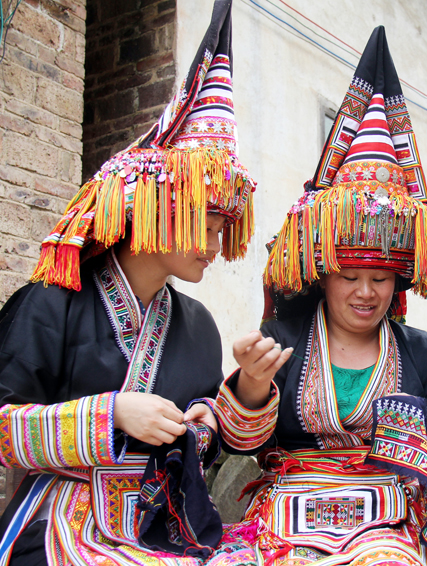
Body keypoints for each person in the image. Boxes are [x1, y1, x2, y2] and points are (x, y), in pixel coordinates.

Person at [0, 1, 260, 564]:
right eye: (204, 225)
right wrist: (111, 415)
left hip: (159, 521)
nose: (214, 246)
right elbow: (0, 431)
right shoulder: (53, 301)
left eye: (221, 229)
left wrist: (204, 423)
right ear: (155, 209)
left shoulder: (198, 325)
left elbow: (206, 448)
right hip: (61, 521)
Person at [214, 27, 427, 566]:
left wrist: (423, 427)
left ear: (398, 282)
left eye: (380, 280)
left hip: (390, 517)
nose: (365, 292)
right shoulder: (283, 338)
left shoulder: (419, 351)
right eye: (349, 277)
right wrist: (251, 387)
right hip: (287, 511)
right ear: (323, 277)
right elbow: (241, 446)